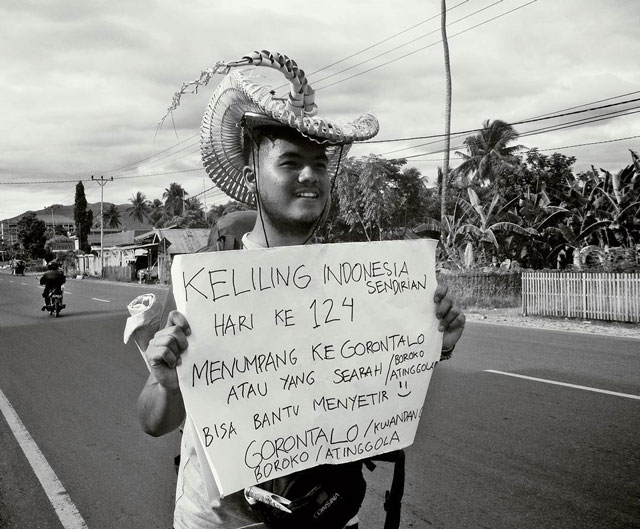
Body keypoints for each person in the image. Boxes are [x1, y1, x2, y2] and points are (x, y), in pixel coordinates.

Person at [137, 51, 466, 529]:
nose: (310, 175)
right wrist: (169, 385)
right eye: (290, 162)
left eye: (319, 163)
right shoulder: (205, 282)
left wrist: (434, 345)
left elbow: (375, 395)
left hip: (329, 517)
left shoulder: (361, 284)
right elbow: (152, 420)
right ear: (252, 173)